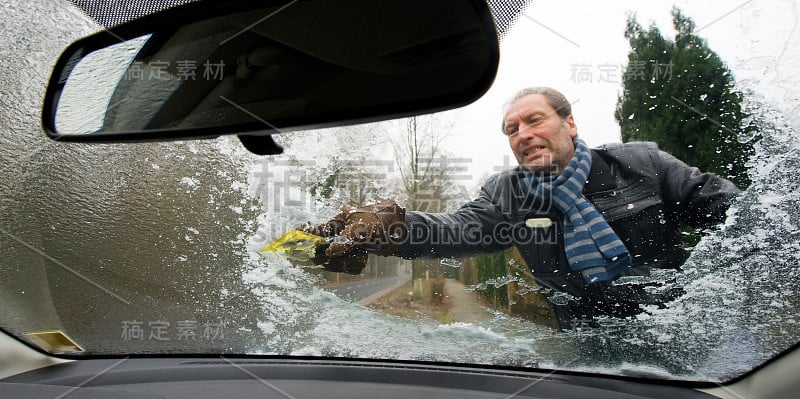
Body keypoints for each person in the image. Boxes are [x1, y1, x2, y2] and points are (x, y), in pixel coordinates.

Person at [303, 87, 741, 330]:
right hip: (588, 347)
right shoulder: (506, 194)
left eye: (535, 120)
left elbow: (742, 220)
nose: (523, 134)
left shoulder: (642, 164)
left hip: (685, 332)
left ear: (569, 124)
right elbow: (456, 231)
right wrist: (393, 227)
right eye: (512, 129)